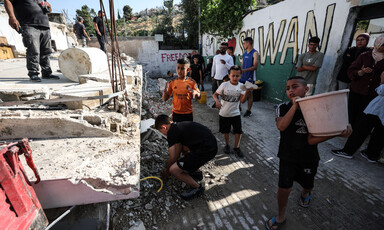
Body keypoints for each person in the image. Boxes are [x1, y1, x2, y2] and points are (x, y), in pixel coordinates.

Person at [265, 76, 351, 230]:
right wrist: (295, 107)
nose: (290, 90)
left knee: (307, 185)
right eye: (287, 88)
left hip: (309, 157)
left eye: (295, 86)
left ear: (306, 89)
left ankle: (305, 194)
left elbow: (311, 140)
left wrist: (338, 133)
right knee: (284, 188)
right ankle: (281, 216)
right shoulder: (283, 107)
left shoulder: (315, 108)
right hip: (287, 156)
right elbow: (281, 126)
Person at [155, 114, 217, 200]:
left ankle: (197, 188)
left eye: (161, 131)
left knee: (173, 169)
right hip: (211, 145)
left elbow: (172, 157)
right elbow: (179, 149)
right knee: (184, 149)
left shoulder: (171, 132)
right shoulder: (178, 126)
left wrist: (167, 171)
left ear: (164, 127)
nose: (163, 134)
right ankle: (196, 173)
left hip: (206, 150)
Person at [332, 72, 384, 162]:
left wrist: (382, 81)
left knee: (362, 128)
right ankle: (371, 154)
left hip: (378, 107)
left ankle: (348, 151)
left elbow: (381, 91)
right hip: (379, 108)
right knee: (380, 131)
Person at [4, 0, 59, 82]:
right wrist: (12, 17)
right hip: (29, 24)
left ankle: (46, 72)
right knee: (33, 50)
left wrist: (49, 6)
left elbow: (49, 11)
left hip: (44, 25)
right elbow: (7, 0)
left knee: (46, 51)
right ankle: (34, 73)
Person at [212, 65, 253, 158]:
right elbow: (215, 95)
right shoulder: (224, 85)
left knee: (238, 131)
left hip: (235, 113)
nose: (235, 78)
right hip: (224, 113)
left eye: (237, 76)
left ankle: (236, 147)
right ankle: (227, 145)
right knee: (226, 131)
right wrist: (217, 101)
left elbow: (242, 101)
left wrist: (246, 91)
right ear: (229, 75)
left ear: (240, 76)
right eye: (233, 75)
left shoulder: (242, 86)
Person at [346, 35, 384, 129]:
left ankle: (357, 132)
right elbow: (351, 71)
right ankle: (349, 130)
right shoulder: (364, 56)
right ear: (378, 44)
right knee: (352, 111)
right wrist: (361, 72)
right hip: (357, 89)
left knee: (364, 114)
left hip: (373, 93)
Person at [162, 58, 201, 122]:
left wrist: (196, 94)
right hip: (176, 114)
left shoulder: (192, 82)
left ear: (188, 69)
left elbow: (199, 96)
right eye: (178, 68)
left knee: (187, 132)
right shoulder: (172, 82)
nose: (179, 71)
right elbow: (165, 99)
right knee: (177, 131)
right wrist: (164, 91)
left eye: (182, 68)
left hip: (188, 114)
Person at [240, 37, 259, 117]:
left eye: (244, 43)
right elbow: (242, 64)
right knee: (240, 92)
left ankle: (248, 111)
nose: (243, 45)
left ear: (248, 43)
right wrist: (240, 71)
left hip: (250, 77)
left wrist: (245, 70)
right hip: (242, 77)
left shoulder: (255, 53)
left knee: (249, 94)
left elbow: (255, 66)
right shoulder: (245, 53)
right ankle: (238, 107)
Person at [211, 42, 234, 108]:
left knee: (223, 93)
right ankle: (216, 102)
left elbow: (231, 68)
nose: (221, 49)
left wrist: (225, 63)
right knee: (214, 91)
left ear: (226, 48)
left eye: (223, 48)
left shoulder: (229, 57)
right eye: (220, 47)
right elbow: (213, 66)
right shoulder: (216, 57)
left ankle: (224, 104)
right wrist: (212, 75)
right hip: (216, 77)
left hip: (224, 78)